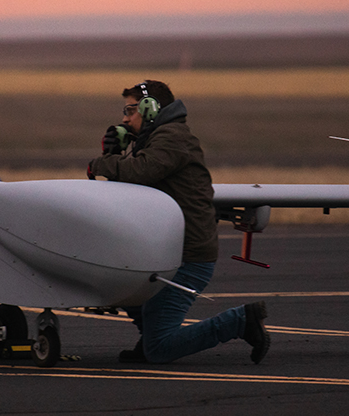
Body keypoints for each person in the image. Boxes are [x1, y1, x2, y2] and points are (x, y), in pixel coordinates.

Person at [87, 80, 270, 364]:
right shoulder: (155, 139)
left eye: (130, 110)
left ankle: (240, 321)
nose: (124, 118)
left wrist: (101, 163)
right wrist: (115, 153)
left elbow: (142, 171)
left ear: (150, 108)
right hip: (166, 250)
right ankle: (149, 338)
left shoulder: (172, 137)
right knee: (122, 285)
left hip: (187, 257)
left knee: (161, 350)